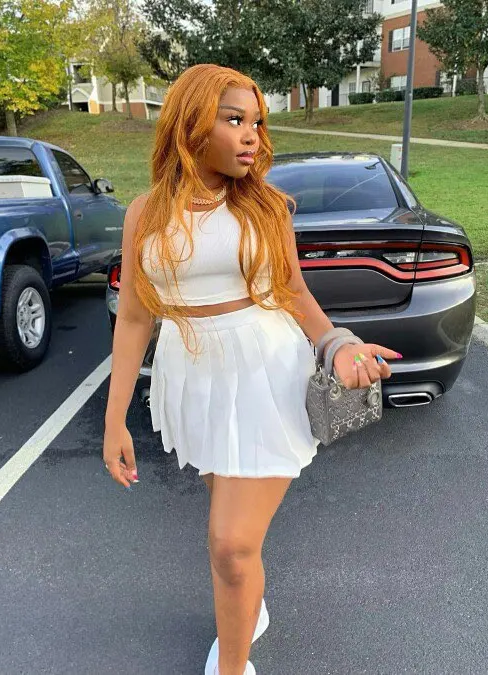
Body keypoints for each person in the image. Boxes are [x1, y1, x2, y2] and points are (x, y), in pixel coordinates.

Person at [103, 63, 400, 675]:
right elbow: (133, 318)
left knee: (231, 545)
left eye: (257, 123)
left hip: (263, 372)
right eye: (234, 119)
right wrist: (114, 420)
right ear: (191, 124)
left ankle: (232, 666)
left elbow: (293, 293)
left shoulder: (265, 206)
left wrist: (337, 345)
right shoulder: (145, 214)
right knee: (230, 535)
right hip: (193, 379)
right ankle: (249, 608)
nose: (251, 135)